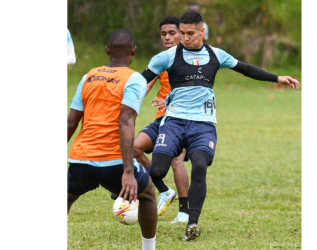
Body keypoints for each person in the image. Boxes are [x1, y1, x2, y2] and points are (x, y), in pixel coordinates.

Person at [141, 11, 300, 241]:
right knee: (156, 170)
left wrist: (277, 78)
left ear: (202, 31)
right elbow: (142, 78)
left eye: (190, 33)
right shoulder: (166, 57)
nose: (184, 38)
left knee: (200, 165)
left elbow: (246, 68)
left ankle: (192, 223)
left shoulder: (216, 55)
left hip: (203, 125)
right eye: (182, 33)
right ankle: (144, 187)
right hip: (174, 122)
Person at [67, 29, 157, 250]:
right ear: (133, 52)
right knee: (148, 194)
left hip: (81, 160)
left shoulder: (88, 76)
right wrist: (128, 172)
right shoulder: (134, 78)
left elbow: (71, 122)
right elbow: (126, 121)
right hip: (115, 163)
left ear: (107, 50)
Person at [134, 16, 190, 224]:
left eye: (172, 33)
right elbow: (145, 85)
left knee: (177, 160)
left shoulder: (192, 59)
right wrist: (131, 105)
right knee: (134, 148)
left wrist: (169, 102)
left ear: (182, 34)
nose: (167, 38)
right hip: (161, 121)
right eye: (163, 34)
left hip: (184, 119)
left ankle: (184, 213)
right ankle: (164, 191)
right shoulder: (161, 59)